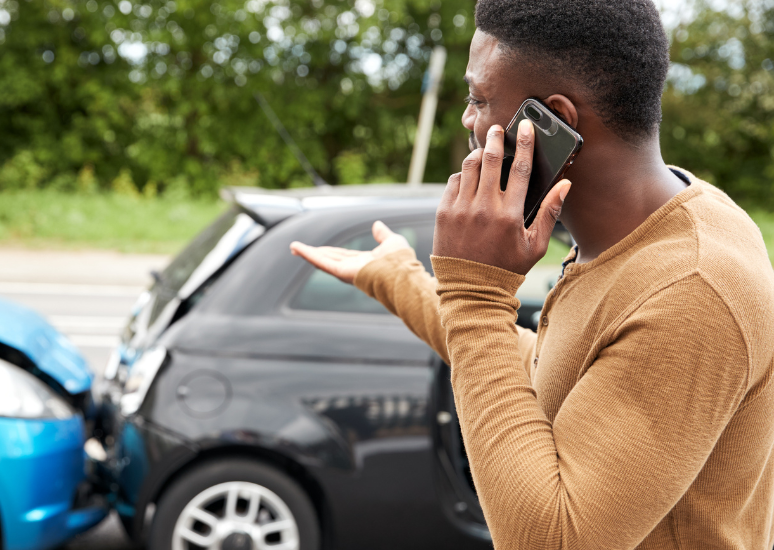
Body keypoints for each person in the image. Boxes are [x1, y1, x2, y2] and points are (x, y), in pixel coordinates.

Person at [290, 0, 774, 548]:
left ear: (554, 122)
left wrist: (476, 292)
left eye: (478, 99)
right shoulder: (661, 226)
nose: (469, 120)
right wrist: (401, 281)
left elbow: (551, 539)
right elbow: (562, 375)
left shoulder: (693, 287)